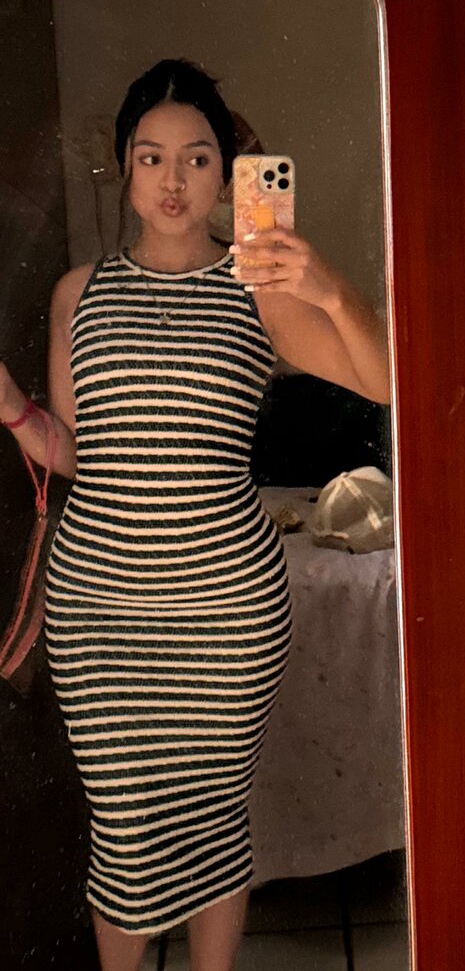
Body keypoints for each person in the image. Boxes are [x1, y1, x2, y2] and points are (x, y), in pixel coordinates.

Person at [0, 58, 390, 971]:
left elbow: (384, 382)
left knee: (216, 815)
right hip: (100, 612)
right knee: (124, 827)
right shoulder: (79, 294)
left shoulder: (259, 287)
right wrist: (14, 410)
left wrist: (327, 286)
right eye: (152, 157)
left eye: (198, 157)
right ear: (125, 168)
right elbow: (82, 454)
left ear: (227, 171)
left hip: (227, 607)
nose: (173, 180)